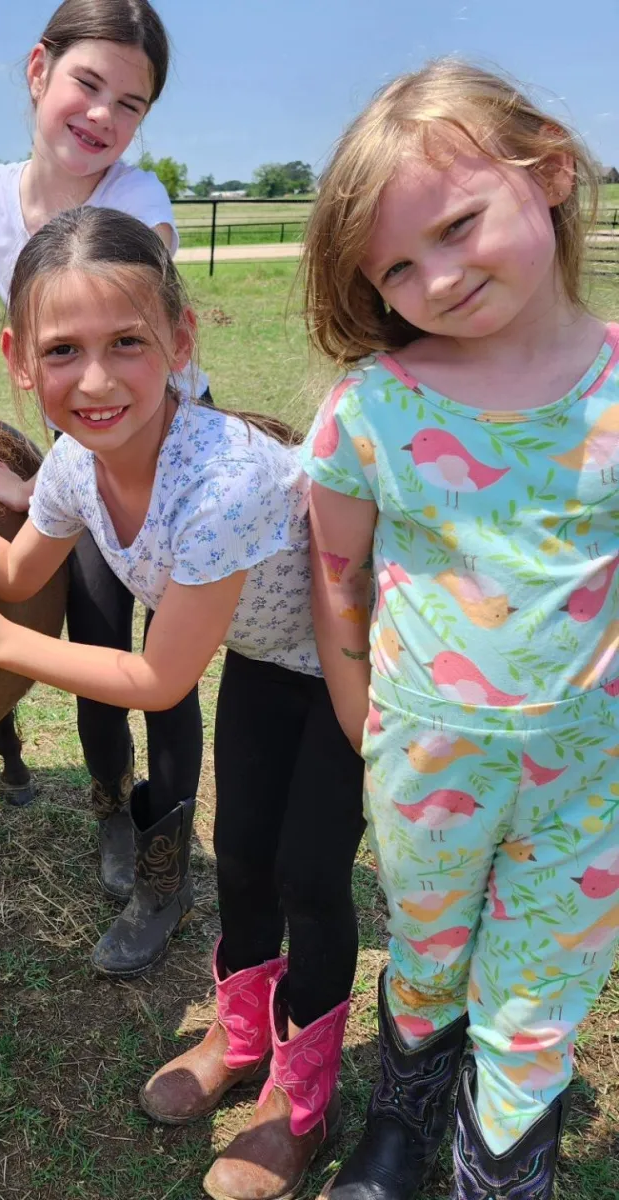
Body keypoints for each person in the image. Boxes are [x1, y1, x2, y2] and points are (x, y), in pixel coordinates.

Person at [0, 206, 365, 1200]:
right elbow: (10, 561)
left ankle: (301, 1101)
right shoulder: (70, 465)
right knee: (248, 855)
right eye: (62, 351)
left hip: (354, 662)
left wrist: (6, 644)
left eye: (126, 343)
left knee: (310, 874)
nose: (94, 381)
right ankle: (239, 1039)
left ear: (180, 341)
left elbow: (161, 681)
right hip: (271, 660)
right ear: (17, 358)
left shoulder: (220, 481)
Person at [300, 59, 618, 1200]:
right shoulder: (375, 408)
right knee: (427, 954)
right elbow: (338, 570)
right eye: (396, 265)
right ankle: (402, 1115)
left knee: (539, 988)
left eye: (458, 225)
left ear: (548, 168)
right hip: (426, 759)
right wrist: (357, 707)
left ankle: (501, 1167)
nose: (435, 276)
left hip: (588, 771)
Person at [0, 0, 213, 950]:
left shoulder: (140, 206)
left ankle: (167, 872)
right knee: (97, 647)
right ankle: (109, 810)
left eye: (130, 104)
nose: (103, 115)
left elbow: (146, 369)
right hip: (81, 460)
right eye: (88, 84)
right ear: (37, 71)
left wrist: (50, 474)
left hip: (163, 454)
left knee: (167, 679)